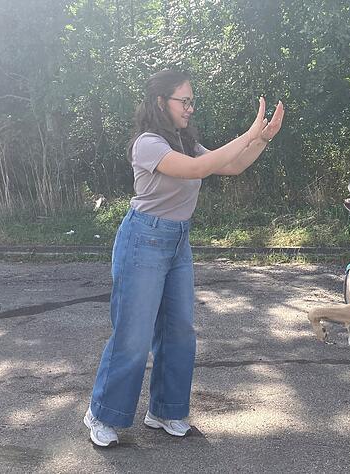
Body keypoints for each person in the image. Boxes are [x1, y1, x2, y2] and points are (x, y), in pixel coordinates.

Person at [84, 69, 284, 447]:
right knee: (133, 335)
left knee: (178, 331)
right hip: (143, 239)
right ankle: (102, 413)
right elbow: (196, 171)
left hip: (177, 241)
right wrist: (247, 133)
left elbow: (232, 165)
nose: (190, 108)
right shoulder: (148, 144)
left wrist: (260, 140)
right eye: (184, 101)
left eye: (192, 101)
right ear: (162, 102)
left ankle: (166, 410)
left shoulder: (185, 142)